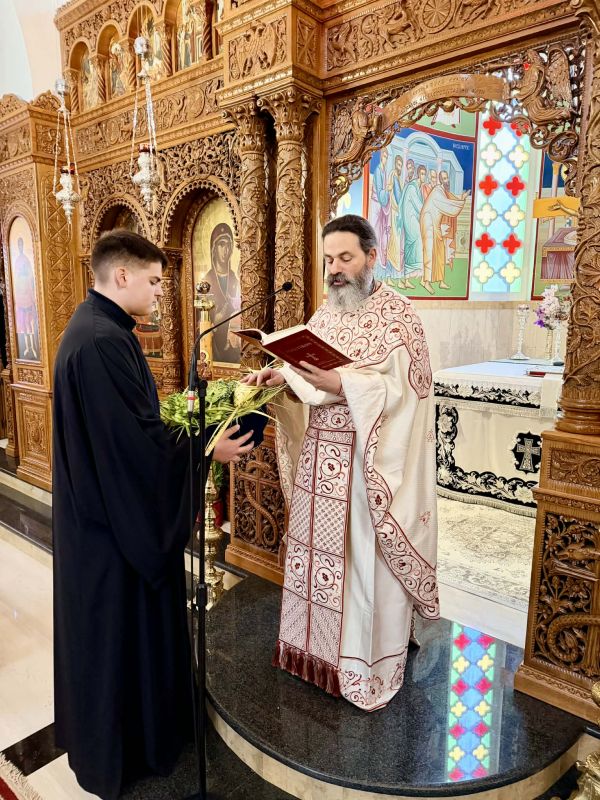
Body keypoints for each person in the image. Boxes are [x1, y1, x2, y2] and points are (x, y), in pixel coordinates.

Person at [52, 229, 254, 799]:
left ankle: (124, 743)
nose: (162, 291)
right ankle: (128, 755)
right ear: (122, 276)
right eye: (155, 280)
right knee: (119, 640)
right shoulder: (102, 342)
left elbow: (130, 431)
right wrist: (205, 448)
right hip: (112, 534)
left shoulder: (98, 329)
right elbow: (132, 451)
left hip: (96, 522)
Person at [242, 214, 439, 712]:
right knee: (317, 561)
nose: (334, 269)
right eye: (329, 259)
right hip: (320, 460)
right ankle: (315, 654)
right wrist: (281, 376)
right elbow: (307, 374)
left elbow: (411, 395)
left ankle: (362, 667)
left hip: (367, 466)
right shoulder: (325, 314)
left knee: (362, 568)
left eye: (345, 258)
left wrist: (344, 384)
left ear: (372, 257)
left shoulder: (400, 318)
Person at [420, 169, 468, 294]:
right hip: (428, 224)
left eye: (448, 178)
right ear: (441, 181)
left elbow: (449, 200)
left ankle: (441, 281)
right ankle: (426, 282)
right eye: (445, 179)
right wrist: (462, 201)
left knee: (440, 251)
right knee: (430, 251)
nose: (447, 181)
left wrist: (461, 198)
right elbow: (449, 206)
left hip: (435, 225)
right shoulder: (437, 192)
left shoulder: (442, 192)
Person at [202, 222, 241, 364]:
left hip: (233, 343)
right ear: (214, 248)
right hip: (213, 345)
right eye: (221, 244)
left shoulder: (235, 279)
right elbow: (200, 319)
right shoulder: (206, 281)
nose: (225, 250)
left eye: (228, 245)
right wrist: (215, 320)